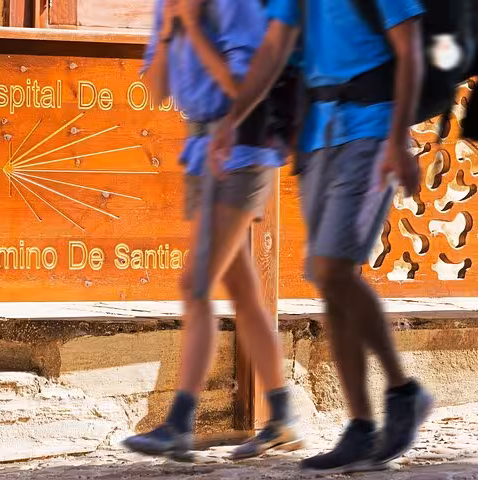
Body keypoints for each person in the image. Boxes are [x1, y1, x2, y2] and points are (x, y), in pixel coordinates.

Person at [209, 0, 434, 473]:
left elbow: (410, 48)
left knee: (331, 269)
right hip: (316, 137)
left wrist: (398, 138)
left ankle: (401, 391)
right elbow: (273, 51)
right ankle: (360, 427)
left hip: (371, 130)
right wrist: (233, 121)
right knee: (330, 280)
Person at [122, 0, 302, 461]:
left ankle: (180, 424)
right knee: (241, 291)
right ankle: (281, 419)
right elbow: (159, 87)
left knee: (195, 284)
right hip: (201, 153)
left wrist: (194, 30)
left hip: (241, 150)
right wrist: (170, 31)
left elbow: (245, 87)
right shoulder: (170, 7)